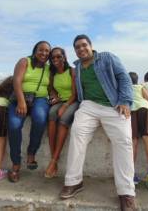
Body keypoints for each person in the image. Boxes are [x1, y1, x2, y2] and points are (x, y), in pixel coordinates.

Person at [59, 35, 136, 211]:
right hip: (88, 105)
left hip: (114, 105)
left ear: (91, 46)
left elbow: (124, 78)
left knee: (124, 140)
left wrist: (125, 101)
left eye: (84, 45)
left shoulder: (107, 57)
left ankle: (127, 193)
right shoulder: (77, 67)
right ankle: (73, 182)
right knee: (77, 133)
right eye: (77, 47)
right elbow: (76, 92)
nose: (81, 49)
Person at [8, 41, 51, 182]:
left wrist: (55, 95)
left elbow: (51, 86)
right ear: (35, 50)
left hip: (39, 99)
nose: (44, 53)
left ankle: (31, 152)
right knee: (14, 126)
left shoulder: (48, 68)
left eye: (47, 51)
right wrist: (21, 101)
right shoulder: (24, 61)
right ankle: (15, 163)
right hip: (20, 97)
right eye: (41, 50)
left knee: (39, 119)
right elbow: (16, 81)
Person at [45, 47, 78, 178]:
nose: (56, 59)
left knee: (63, 119)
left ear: (64, 57)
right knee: (51, 115)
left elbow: (75, 94)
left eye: (59, 56)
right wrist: (54, 97)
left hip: (73, 101)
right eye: (53, 58)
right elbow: (51, 88)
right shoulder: (53, 74)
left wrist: (65, 105)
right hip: (60, 101)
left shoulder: (72, 71)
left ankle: (53, 161)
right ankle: (55, 159)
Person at [129, 72, 148, 186]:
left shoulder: (126, 87)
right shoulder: (141, 87)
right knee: (147, 137)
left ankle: (131, 174)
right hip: (144, 109)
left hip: (131, 110)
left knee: (133, 140)